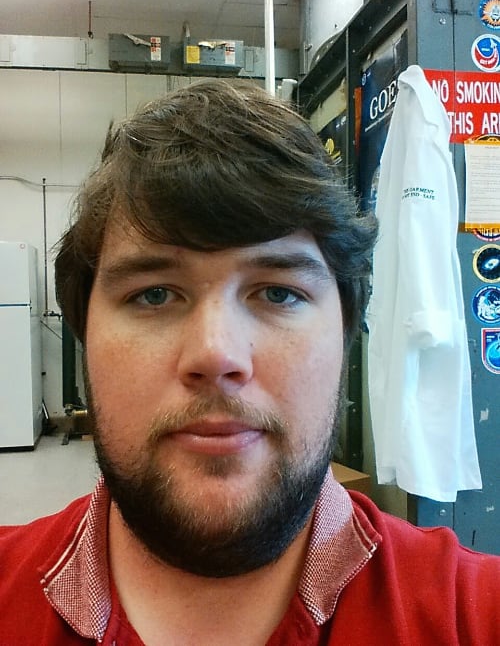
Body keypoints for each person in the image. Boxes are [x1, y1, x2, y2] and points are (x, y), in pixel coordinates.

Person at [0, 79, 499, 645]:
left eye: (278, 293)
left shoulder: (475, 616)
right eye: (154, 294)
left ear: (345, 329)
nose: (217, 354)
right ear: (83, 327)